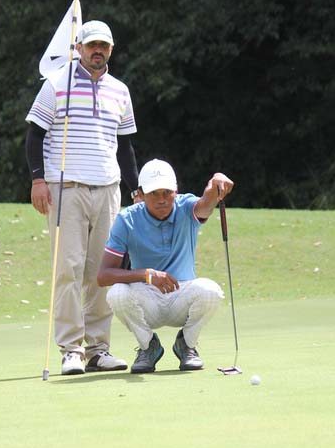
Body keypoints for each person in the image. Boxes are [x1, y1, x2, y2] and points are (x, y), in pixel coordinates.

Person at [25, 20, 141, 375]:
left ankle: (98, 349)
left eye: (103, 46)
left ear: (111, 50)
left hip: (108, 189)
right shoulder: (56, 84)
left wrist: (136, 190)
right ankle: (71, 349)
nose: (98, 51)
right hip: (67, 189)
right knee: (68, 269)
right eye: (92, 45)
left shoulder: (120, 90)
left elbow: (125, 146)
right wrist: (38, 180)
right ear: (78, 48)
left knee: (101, 272)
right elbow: (34, 135)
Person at [97, 159, 234, 373]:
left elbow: (206, 203)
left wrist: (216, 182)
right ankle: (148, 346)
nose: (162, 200)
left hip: (182, 296)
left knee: (211, 291)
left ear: (176, 191)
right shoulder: (127, 219)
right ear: (140, 194)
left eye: (167, 192)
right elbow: (103, 275)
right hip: (147, 299)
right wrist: (147, 275)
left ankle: (186, 344)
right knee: (117, 293)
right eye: (154, 193)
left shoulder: (186, 207)